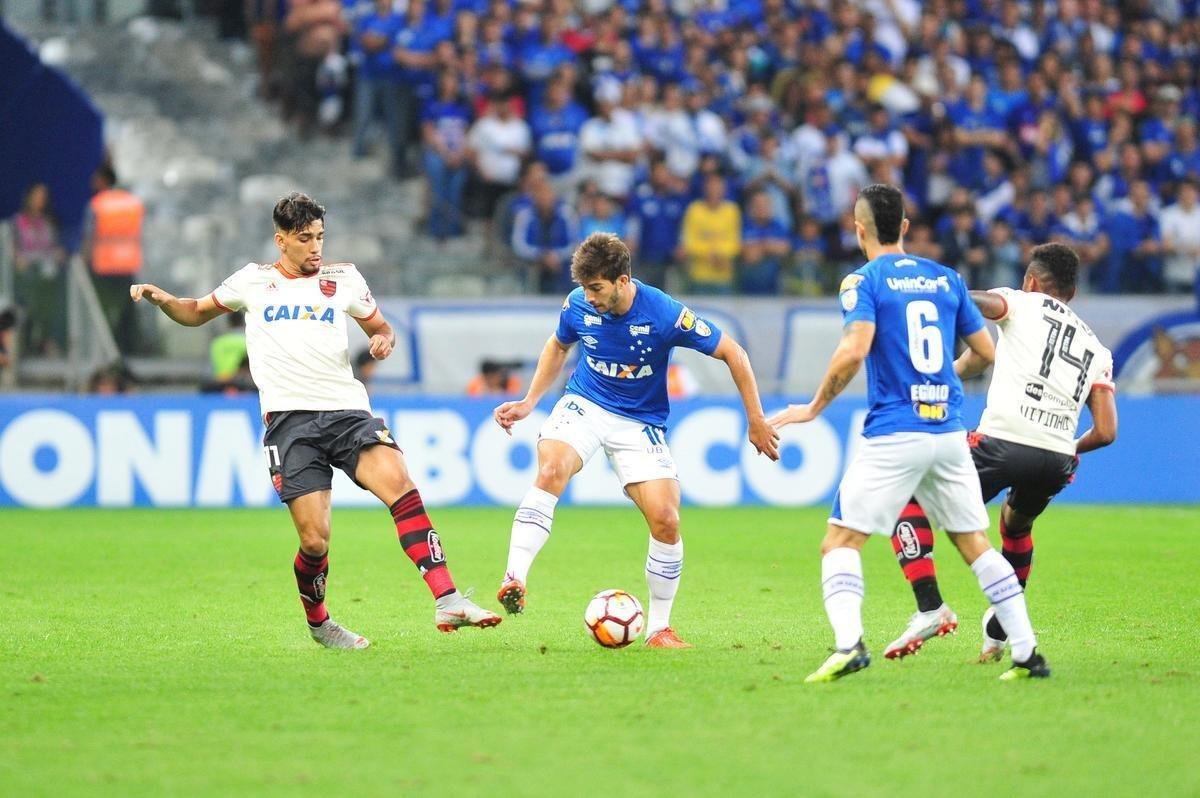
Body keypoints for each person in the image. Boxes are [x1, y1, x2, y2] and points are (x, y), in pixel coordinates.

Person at [129, 192, 500, 649]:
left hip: (347, 410)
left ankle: (448, 598)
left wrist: (384, 340)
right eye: (305, 239)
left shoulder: (343, 278)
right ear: (280, 240)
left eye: (320, 237)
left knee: (400, 484)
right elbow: (195, 312)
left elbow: (379, 327)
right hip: (290, 423)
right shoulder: (251, 281)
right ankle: (320, 623)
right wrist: (165, 300)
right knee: (315, 542)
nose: (316, 248)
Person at [768, 183, 1049, 683]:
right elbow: (986, 352)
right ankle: (1027, 654)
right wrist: (941, 376)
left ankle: (850, 645)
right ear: (904, 227)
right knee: (975, 545)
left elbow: (855, 350)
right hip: (948, 432)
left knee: (839, 542)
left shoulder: (862, 281)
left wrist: (814, 406)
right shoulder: (947, 279)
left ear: (858, 230)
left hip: (896, 432)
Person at [491, 232, 779, 647]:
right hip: (585, 404)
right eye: (584, 288)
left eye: (597, 288)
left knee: (666, 519)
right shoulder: (576, 306)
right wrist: (530, 400)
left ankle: (660, 628)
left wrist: (755, 419)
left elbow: (734, 353)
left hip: (639, 421)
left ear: (623, 281)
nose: (588, 297)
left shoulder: (664, 313)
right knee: (552, 468)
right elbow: (558, 344)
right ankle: (514, 577)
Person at [884, 243, 1118, 661]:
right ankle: (998, 628)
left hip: (1002, 444)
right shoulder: (1097, 349)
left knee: (907, 497)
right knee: (1015, 526)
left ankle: (929, 606)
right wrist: (1072, 448)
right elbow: (1106, 431)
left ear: (1031, 282)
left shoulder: (1020, 303)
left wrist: (947, 293)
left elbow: (982, 304)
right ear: (1072, 293)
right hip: (1056, 459)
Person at [84, 165, 144, 353]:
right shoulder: (132, 202)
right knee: (128, 310)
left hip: (104, 266)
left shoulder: (97, 204)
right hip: (128, 263)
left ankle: (107, 350)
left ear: (103, 180)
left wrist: (85, 259)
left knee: (102, 311)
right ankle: (131, 348)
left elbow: (89, 235)